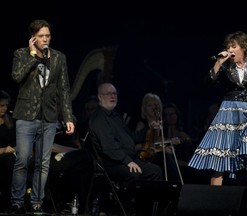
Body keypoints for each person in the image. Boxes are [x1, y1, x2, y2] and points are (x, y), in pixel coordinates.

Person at [188, 31, 247, 204]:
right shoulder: (225, 65)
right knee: (220, 158)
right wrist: (218, 62)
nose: (229, 50)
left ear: (244, 48)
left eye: (233, 46)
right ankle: (214, 204)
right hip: (228, 113)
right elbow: (209, 83)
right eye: (228, 47)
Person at [9, 19, 75, 214]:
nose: (45, 39)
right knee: (22, 159)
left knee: (43, 163)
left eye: (47, 36)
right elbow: (17, 77)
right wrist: (31, 56)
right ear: (33, 38)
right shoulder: (21, 54)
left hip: (49, 116)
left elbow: (64, 88)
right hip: (26, 116)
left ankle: (37, 201)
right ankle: (17, 202)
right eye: (41, 36)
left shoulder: (58, 57)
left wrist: (68, 117)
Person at [88, 83, 162, 210]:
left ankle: (146, 210)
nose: (113, 96)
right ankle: (120, 206)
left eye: (114, 93)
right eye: (109, 94)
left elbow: (130, 139)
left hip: (126, 159)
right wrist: (128, 161)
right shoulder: (99, 118)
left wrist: (149, 128)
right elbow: (109, 147)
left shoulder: (116, 116)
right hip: (111, 162)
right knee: (134, 174)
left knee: (155, 171)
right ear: (100, 97)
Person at [135, 93, 181, 182]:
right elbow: (140, 147)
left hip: (158, 157)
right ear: (144, 108)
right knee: (165, 157)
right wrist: (161, 149)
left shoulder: (164, 126)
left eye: (156, 105)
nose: (153, 108)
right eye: (150, 105)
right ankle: (177, 184)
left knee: (168, 157)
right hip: (145, 158)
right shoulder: (142, 124)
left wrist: (170, 143)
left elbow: (161, 143)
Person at [0, 90, 16, 213]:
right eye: (1, 105)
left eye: (6, 105)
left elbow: (15, 142)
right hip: (3, 156)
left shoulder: (9, 121)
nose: (5, 108)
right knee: (8, 160)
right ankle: (7, 202)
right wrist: (4, 150)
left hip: (11, 155)